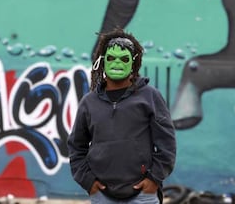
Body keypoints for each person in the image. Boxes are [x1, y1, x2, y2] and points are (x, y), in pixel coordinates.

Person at [67, 28, 176, 204]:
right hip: (101, 196)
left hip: (142, 195)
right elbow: (76, 147)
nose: (117, 63)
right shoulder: (89, 102)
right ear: (102, 61)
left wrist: (154, 179)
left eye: (124, 59)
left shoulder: (150, 97)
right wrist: (88, 182)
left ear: (133, 63)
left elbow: (167, 145)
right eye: (111, 58)